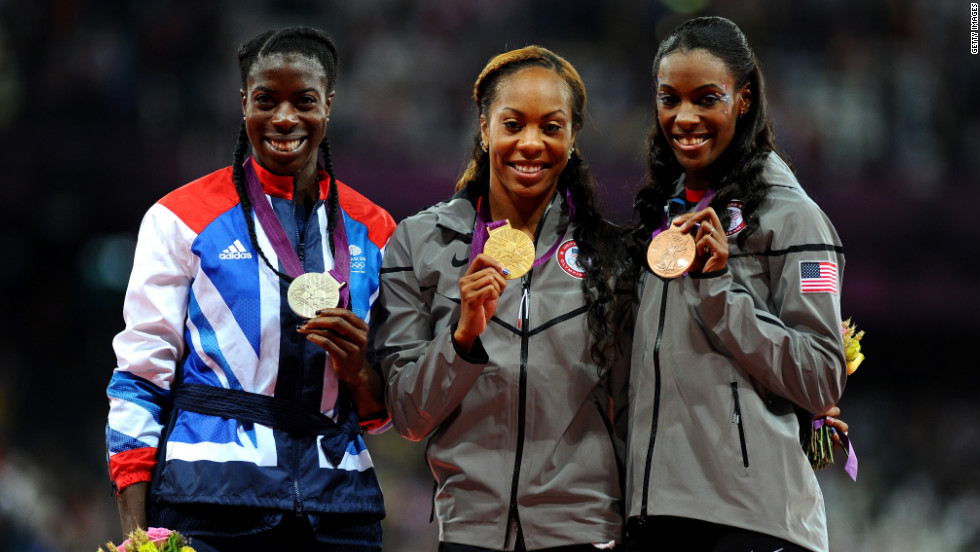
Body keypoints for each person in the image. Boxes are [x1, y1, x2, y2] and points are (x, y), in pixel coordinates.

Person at [105, 27, 395, 551]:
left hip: (340, 512)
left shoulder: (374, 228)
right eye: (266, 99)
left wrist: (359, 371)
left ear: (329, 105)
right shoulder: (179, 218)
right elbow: (140, 376)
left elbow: (380, 414)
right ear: (244, 104)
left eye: (304, 100)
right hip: (209, 505)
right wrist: (138, 534)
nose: (285, 118)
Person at [368, 46, 628, 551]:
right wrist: (463, 337)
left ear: (572, 138)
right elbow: (407, 415)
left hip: (585, 532)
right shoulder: (419, 245)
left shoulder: (613, 259)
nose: (530, 143)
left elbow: (639, 407)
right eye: (513, 124)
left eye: (551, 127)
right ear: (485, 129)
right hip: (470, 532)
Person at [618, 16, 847, 552]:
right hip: (658, 517)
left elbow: (821, 376)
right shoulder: (662, 216)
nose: (685, 116)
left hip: (752, 522)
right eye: (669, 98)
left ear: (743, 100)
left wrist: (721, 287)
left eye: (707, 98)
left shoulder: (792, 217)